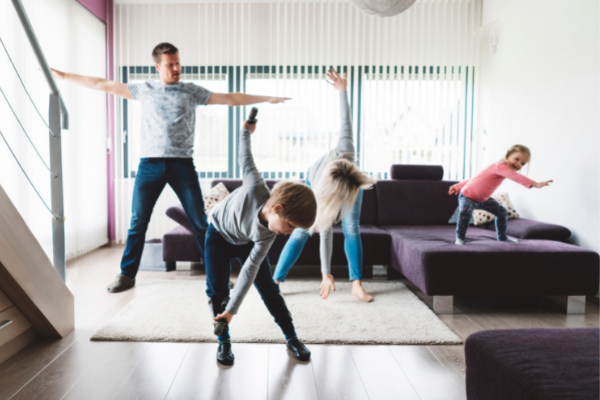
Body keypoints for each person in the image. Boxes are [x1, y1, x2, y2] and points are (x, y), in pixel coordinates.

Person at [50, 42, 290, 292]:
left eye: (178, 62)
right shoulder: (144, 89)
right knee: (137, 222)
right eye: (170, 64)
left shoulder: (191, 91)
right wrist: (65, 76)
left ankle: (216, 275)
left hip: (182, 165)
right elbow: (103, 84)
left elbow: (229, 98)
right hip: (149, 165)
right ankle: (127, 275)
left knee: (199, 222)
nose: (176, 68)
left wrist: (266, 98)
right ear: (157, 66)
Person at [206, 117, 317, 366]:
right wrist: (246, 130)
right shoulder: (255, 185)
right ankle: (223, 342)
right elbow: (245, 155)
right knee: (217, 292)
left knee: (269, 289)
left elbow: (249, 272)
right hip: (217, 234)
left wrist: (233, 310)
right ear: (276, 208)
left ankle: (292, 338)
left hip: (247, 241)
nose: (288, 233)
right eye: (289, 226)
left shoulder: (269, 233)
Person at [272, 68, 377, 303]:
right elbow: (325, 232)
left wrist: (342, 91)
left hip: (349, 181)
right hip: (318, 184)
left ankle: (356, 285)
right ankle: (276, 281)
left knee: (352, 229)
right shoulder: (319, 191)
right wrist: (325, 273)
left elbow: (345, 119)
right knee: (301, 232)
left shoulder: (346, 149)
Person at [448, 144, 552, 245]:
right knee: (465, 212)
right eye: (517, 159)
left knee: (502, 212)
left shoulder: (499, 167)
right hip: (468, 196)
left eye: (523, 163)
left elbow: (477, 178)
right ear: (508, 154)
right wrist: (535, 184)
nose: (519, 164)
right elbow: (515, 176)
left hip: (483, 200)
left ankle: (502, 237)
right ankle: (460, 238)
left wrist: (457, 186)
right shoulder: (500, 166)